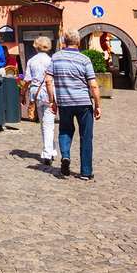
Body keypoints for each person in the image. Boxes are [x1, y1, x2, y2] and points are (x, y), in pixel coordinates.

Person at [44, 30, 100, 180]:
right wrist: (98, 105)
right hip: (83, 103)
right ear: (79, 42)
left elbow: (48, 80)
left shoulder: (55, 58)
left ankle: (66, 156)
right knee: (86, 136)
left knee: (65, 130)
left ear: (64, 42)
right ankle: (86, 172)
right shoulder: (84, 59)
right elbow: (93, 85)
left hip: (64, 102)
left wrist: (52, 101)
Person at [24, 35, 57, 164]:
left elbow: (27, 80)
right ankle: (51, 151)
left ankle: (48, 152)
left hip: (36, 94)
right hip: (49, 93)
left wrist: (22, 93)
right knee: (49, 123)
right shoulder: (51, 60)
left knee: (45, 124)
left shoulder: (32, 61)